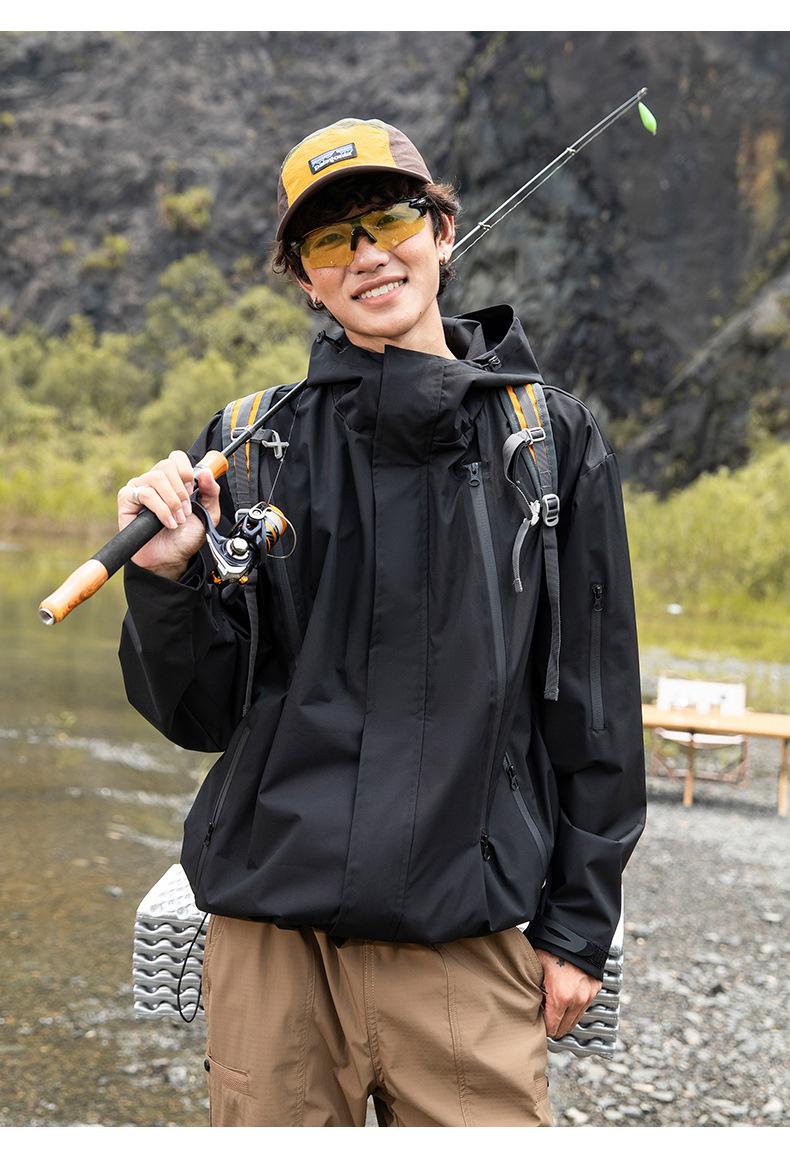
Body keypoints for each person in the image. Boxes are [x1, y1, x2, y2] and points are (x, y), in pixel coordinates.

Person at [118, 118, 647, 1127]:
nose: (366, 255)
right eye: (329, 239)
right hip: (271, 945)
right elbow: (197, 714)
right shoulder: (246, 447)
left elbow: (596, 706)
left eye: (391, 219)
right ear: (305, 279)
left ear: (441, 231)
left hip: (469, 936)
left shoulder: (551, 440)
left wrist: (580, 925)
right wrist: (166, 577)